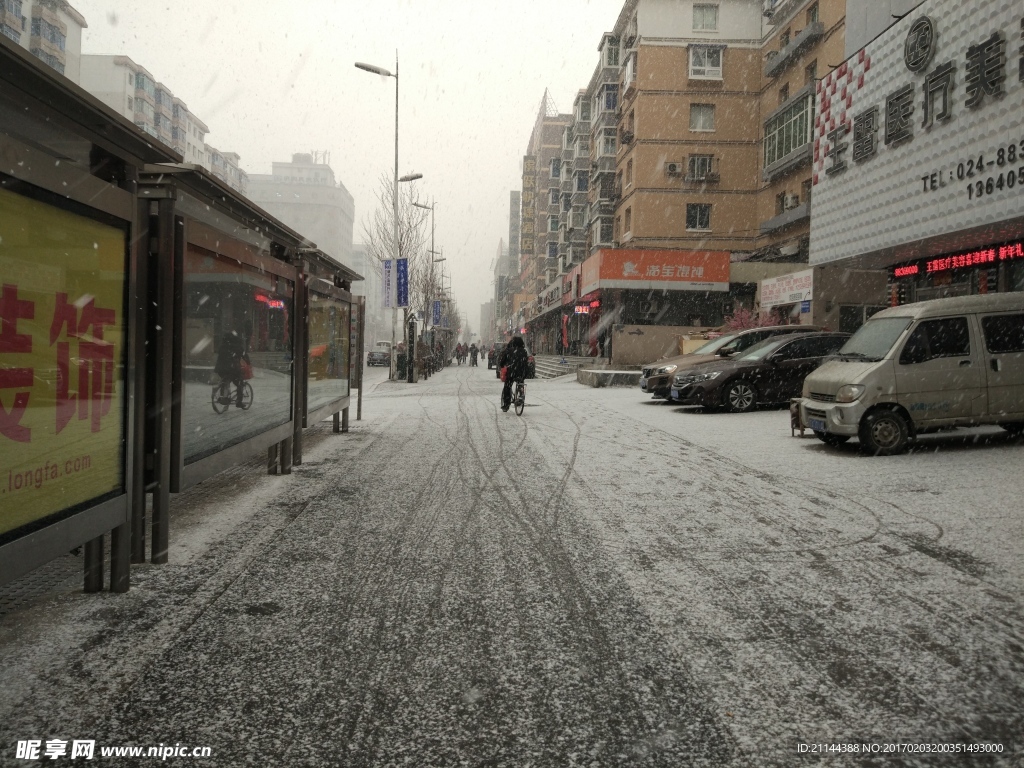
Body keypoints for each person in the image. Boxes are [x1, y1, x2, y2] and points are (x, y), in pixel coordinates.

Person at [214, 329, 250, 407]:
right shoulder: (237, 346)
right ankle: (239, 402)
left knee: (225, 380)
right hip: (231, 369)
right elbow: (244, 356)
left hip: (220, 369)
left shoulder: (222, 346)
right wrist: (248, 362)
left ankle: (223, 395)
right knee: (240, 383)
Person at [498, 336, 529, 412]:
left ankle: (506, 404)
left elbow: (503, 361)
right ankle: (521, 395)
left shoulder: (509, 351)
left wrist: (502, 365)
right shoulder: (524, 351)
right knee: (520, 382)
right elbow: (525, 361)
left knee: (507, 386)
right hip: (522, 372)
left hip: (512, 372)